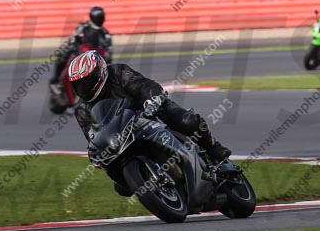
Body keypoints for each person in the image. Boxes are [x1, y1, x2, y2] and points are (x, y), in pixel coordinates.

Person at [68, 50, 231, 166]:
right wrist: (94, 152)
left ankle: (213, 147)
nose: (83, 88)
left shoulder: (118, 73)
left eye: (87, 82)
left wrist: (152, 99)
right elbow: (92, 136)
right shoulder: (82, 109)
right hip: (122, 136)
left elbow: (142, 85)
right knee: (121, 186)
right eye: (78, 84)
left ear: (100, 73)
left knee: (188, 121)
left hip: (149, 111)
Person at [49, 6, 112, 111]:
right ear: (93, 17)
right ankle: (56, 81)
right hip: (80, 52)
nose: (99, 20)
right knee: (63, 55)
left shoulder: (105, 33)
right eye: (98, 17)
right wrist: (74, 44)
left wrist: (108, 56)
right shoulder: (83, 27)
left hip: (95, 56)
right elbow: (74, 38)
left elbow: (109, 48)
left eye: (101, 17)